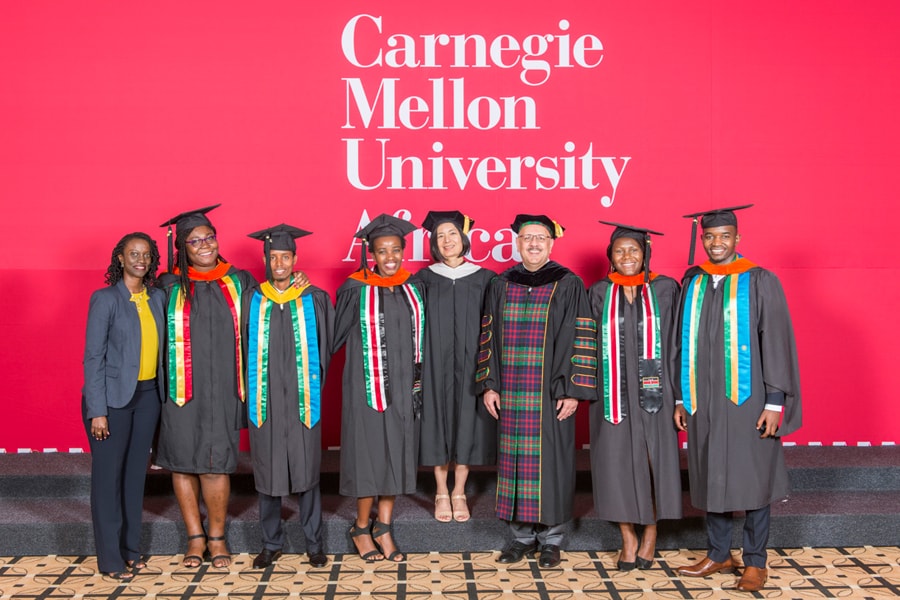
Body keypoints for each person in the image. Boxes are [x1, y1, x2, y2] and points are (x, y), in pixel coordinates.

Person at [673, 205, 801, 593]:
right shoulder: (692, 281)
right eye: (709, 237)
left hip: (748, 401)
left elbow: (775, 343)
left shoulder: (760, 280)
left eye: (724, 236)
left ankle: (756, 561)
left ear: (737, 239)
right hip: (703, 401)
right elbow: (680, 345)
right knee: (712, 474)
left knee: (754, 478)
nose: (716, 243)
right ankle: (718, 552)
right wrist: (681, 397)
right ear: (702, 240)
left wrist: (775, 403)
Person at [477, 214, 597, 569]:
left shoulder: (569, 284)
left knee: (553, 463)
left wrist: (573, 390)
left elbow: (581, 337)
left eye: (540, 238)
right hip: (512, 393)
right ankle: (521, 538)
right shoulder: (501, 284)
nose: (533, 243)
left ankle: (552, 540)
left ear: (551, 243)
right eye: (527, 238)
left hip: (551, 393)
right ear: (517, 243)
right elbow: (488, 338)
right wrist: (489, 385)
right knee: (514, 463)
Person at [155, 205, 256, 569]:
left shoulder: (240, 281)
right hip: (181, 390)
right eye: (194, 241)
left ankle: (217, 537)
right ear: (182, 247)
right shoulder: (167, 286)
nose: (204, 245)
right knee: (182, 463)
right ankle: (194, 538)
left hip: (226, 389)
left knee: (216, 465)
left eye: (209, 238)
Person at [587, 222, 682, 571]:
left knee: (652, 463)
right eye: (619, 251)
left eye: (634, 250)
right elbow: (584, 344)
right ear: (610, 257)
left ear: (646, 254)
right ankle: (627, 536)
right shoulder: (598, 292)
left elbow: (678, 345)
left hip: (657, 393)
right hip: (610, 396)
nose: (627, 256)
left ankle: (651, 534)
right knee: (614, 466)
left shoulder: (667, 289)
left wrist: (680, 398)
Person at [334, 213, 425, 563]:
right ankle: (360, 525)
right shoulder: (354, 289)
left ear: (403, 251)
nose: (390, 258)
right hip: (364, 389)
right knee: (368, 455)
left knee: (396, 455)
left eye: (396, 250)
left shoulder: (413, 288)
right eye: (382, 251)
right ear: (371, 254)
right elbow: (330, 335)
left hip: (404, 389)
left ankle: (384, 526)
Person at [243, 224, 334, 570]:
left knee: (307, 474)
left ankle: (314, 543)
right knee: (267, 476)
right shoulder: (253, 299)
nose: (279, 263)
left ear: (296, 259)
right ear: (265, 259)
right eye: (273, 257)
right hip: (263, 404)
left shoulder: (315, 299)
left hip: (302, 404)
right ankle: (271, 543)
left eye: (285, 256)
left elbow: (325, 350)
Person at [82, 232, 166, 581]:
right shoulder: (105, 300)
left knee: (134, 479)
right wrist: (97, 410)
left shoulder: (157, 297)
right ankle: (111, 559)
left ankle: (131, 551)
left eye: (145, 254)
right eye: (132, 253)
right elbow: (93, 357)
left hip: (148, 399)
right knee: (107, 481)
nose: (139, 259)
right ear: (120, 258)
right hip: (112, 402)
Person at [415, 210, 497, 523]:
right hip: (434, 365)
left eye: (451, 234)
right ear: (434, 244)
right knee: (436, 423)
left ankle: (459, 491)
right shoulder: (423, 280)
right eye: (439, 236)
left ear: (463, 239)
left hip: (471, 363)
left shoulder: (485, 279)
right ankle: (439, 491)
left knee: (467, 423)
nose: (446, 241)